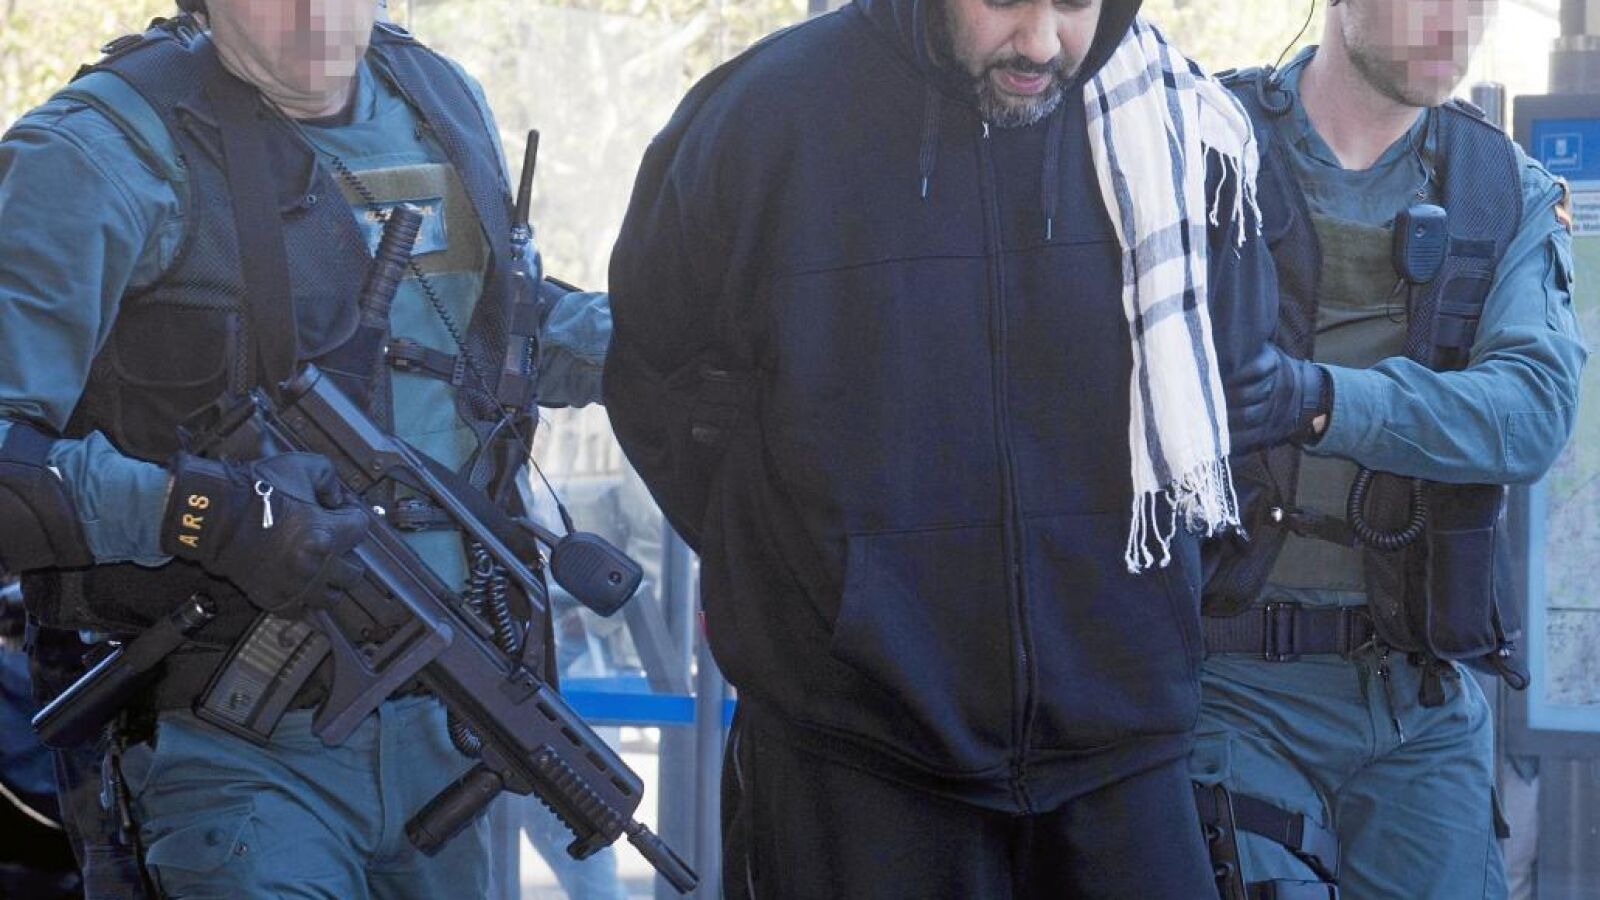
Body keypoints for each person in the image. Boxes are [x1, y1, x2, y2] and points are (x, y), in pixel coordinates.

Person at [605, 0, 1314, 894]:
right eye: (1007, 0)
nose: (1041, 42)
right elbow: (659, 379)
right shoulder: (764, 116)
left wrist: (1140, 614)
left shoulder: (1186, 127)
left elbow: (1233, 409)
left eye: (1074, 4)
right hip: (854, 757)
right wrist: (817, 582)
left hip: (1124, 761)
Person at [0, 1, 612, 896]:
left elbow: (493, 339)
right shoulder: (101, 153)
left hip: (450, 729)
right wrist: (206, 515)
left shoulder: (435, 100)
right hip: (232, 750)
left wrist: (654, 347)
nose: (315, 11)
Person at [1191, 1, 1586, 898]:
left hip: (1419, 700)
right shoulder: (1202, 147)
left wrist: (1324, 400)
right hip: (1229, 688)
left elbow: (1533, 411)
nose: (1459, 21)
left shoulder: (1502, 187)